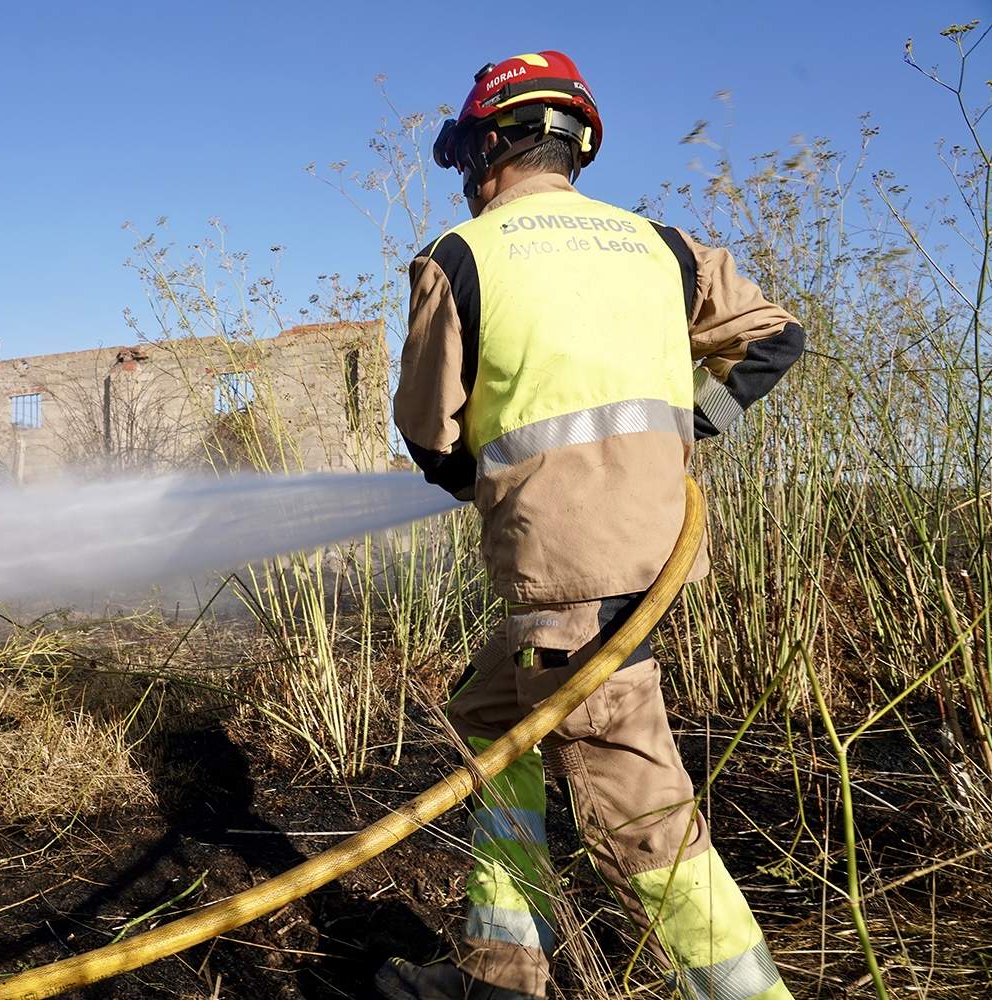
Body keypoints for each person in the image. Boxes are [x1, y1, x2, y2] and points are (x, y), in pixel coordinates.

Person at [376, 51, 803, 1000]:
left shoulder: (462, 254)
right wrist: (699, 423)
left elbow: (429, 429)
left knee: (638, 814)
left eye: (468, 158)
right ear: (576, 143)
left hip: (566, 579)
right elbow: (777, 337)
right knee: (491, 719)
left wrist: (479, 483)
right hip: (653, 558)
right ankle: (499, 973)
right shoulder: (663, 246)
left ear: (487, 148)